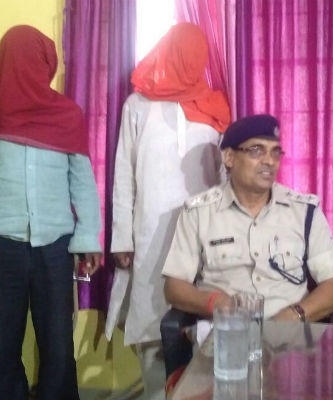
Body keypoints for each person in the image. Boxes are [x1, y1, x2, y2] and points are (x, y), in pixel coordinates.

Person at [0, 25, 102, 399]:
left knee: (58, 344)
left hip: (55, 246)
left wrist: (88, 238)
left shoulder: (66, 115)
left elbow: (82, 182)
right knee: (4, 344)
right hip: (1, 246)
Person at [105, 22, 230, 399]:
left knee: (199, 322)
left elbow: (226, 174)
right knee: (151, 318)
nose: (191, 59)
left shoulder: (214, 106)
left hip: (203, 235)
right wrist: (122, 239)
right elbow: (123, 173)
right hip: (150, 232)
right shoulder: (138, 105)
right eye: (184, 51)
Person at [162, 114, 333, 322]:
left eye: (275, 152)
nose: (269, 161)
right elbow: (174, 288)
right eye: (256, 150)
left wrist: (292, 317)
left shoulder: (304, 211)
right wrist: (216, 303)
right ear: (229, 157)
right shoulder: (198, 213)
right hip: (226, 332)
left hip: (290, 333)